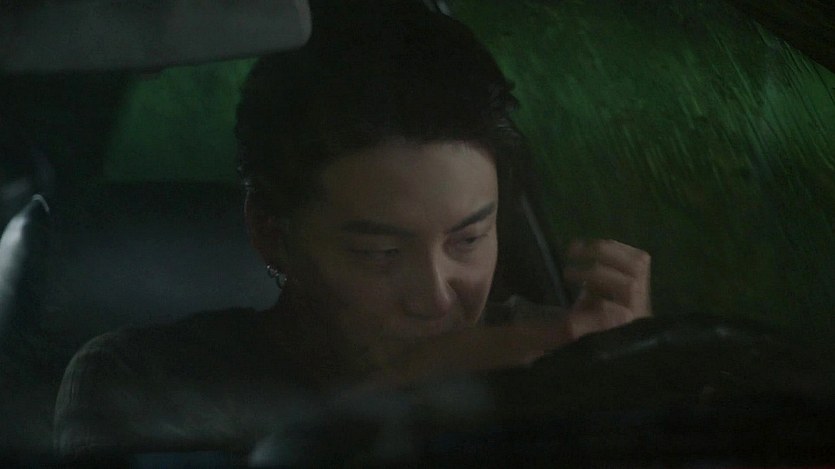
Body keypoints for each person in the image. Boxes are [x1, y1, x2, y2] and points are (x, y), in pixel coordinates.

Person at [54, 0, 651, 458]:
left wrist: (642, 385)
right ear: (270, 233)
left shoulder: (546, 354)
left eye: (468, 240)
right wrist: (406, 395)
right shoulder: (147, 381)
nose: (437, 298)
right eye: (380, 252)